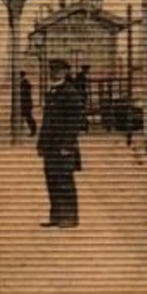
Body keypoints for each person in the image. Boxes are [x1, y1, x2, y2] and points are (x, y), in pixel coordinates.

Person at [36, 59, 82, 228]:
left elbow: (75, 122)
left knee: (64, 182)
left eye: (58, 70)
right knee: (52, 181)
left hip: (63, 147)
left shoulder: (70, 93)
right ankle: (56, 216)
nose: (54, 73)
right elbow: (47, 121)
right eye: (52, 70)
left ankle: (70, 217)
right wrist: (41, 144)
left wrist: (67, 145)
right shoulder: (53, 92)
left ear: (65, 72)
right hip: (50, 147)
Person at [18, 70, 37, 136]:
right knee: (27, 117)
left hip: (26, 103)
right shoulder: (23, 82)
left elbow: (26, 93)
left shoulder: (25, 82)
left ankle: (33, 130)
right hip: (25, 103)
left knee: (28, 117)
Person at [74, 65, 92, 132]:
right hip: (81, 95)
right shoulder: (81, 76)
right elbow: (80, 86)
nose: (88, 71)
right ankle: (83, 125)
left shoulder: (81, 76)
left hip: (81, 95)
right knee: (82, 110)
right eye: (87, 69)